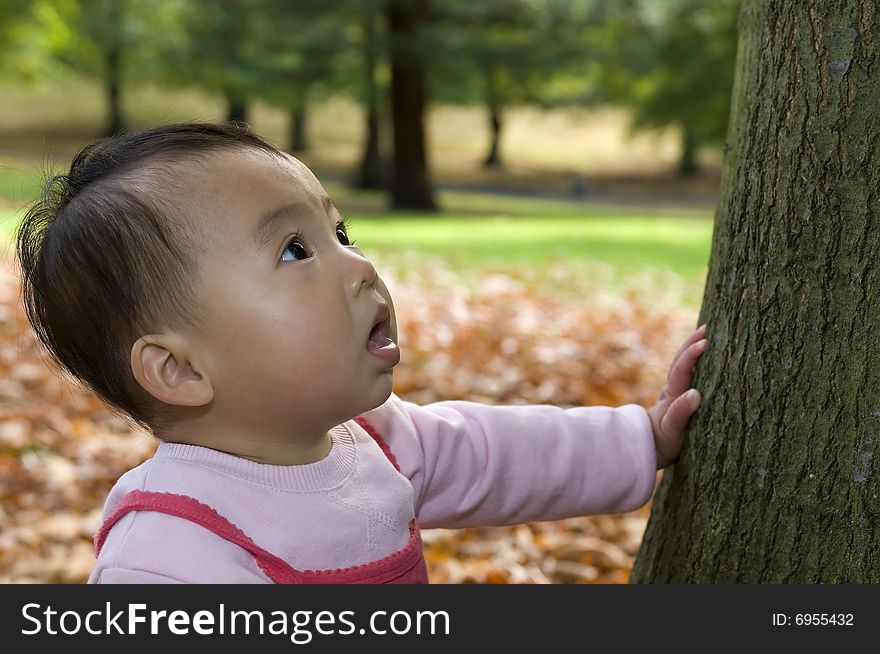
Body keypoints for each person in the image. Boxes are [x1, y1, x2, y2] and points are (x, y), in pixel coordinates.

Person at [15, 122, 708, 584]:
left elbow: (496, 455)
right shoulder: (169, 547)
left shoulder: (373, 443)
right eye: (295, 250)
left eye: (341, 231)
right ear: (181, 370)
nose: (360, 266)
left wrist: (640, 439)